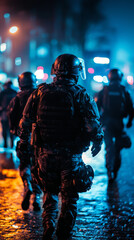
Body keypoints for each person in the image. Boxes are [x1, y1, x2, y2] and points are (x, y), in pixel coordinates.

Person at [18, 54, 104, 240]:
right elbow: (92, 126)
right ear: (75, 72)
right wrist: (97, 142)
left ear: (54, 71)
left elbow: (25, 122)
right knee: (70, 196)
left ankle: (48, 223)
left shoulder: (39, 92)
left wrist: (24, 143)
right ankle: (64, 231)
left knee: (49, 192)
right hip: (70, 156)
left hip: (45, 154)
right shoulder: (80, 94)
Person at [7, 72, 42, 211]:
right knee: (38, 168)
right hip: (39, 140)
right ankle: (37, 198)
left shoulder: (17, 98)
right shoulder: (41, 95)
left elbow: (12, 117)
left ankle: (27, 186)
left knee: (24, 165)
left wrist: (14, 131)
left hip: (24, 139)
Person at [96, 68, 133, 183]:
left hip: (106, 124)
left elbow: (96, 107)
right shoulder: (124, 91)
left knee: (109, 148)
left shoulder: (104, 90)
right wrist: (129, 122)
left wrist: (99, 122)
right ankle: (115, 171)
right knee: (117, 150)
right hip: (119, 124)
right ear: (120, 78)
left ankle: (110, 170)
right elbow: (131, 108)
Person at [0, 80, 17, 148]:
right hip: (12, 114)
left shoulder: (3, 93)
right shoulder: (14, 92)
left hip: (5, 114)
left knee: (5, 129)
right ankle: (11, 144)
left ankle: (6, 144)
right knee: (11, 129)